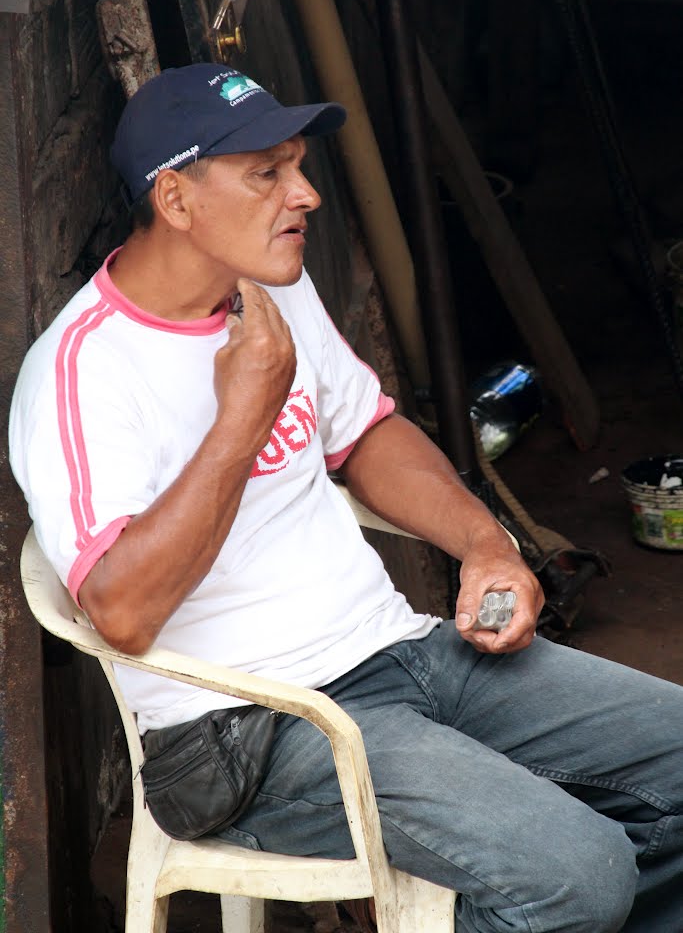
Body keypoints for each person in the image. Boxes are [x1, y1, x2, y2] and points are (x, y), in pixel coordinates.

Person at [9, 64, 683, 933]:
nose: (307, 195)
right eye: (267, 173)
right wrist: (242, 419)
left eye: (298, 164)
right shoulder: (81, 372)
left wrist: (483, 542)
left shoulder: (270, 287)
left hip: (400, 656)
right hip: (245, 733)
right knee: (575, 874)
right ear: (175, 200)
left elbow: (363, 432)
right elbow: (123, 615)